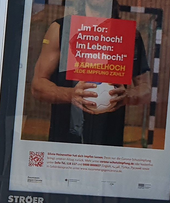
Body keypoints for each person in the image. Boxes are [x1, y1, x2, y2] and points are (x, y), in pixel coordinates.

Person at [30, 0, 151, 146]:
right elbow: (37, 86)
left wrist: (127, 96)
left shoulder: (128, 35)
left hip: (108, 143)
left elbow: (146, 89)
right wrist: (71, 95)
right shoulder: (62, 29)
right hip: (63, 142)